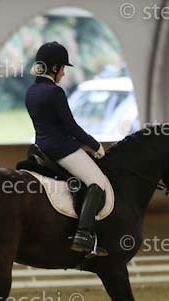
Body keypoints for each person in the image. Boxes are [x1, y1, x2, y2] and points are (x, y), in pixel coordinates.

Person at [24, 41, 107, 256]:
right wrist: (95, 145)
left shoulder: (31, 91)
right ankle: (84, 234)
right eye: (62, 68)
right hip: (61, 149)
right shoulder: (55, 92)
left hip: (41, 147)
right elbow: (71, 127)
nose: (63, 73)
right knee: (98, 182)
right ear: (54, 68)